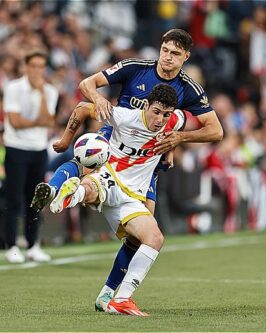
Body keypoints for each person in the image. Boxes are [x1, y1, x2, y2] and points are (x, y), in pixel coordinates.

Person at [31, 29, 223, 310]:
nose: (168, 58)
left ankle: (109, 294)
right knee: (90, 158)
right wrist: (96, 100)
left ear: (186, 57)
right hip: (117, 134)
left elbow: (214, 131)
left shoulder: (189, 90)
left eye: (175, 54)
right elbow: (88, 85)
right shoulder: (135, 68)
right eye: (165, 50)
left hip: (148, 162)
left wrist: (176, 142)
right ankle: (61, 190)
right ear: (160, 48)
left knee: (143, 235)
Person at [51, 84, 185, 316]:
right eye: (156, 112)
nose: (160, 119)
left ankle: (119, 299)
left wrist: (174, 143)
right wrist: (65, 140)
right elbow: (83, 108)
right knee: (94, 186)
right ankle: (71, 196)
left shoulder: (174, 120)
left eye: (166, 114)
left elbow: (200, 127)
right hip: (111, 175)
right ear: (145, 105)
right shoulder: (124, 116)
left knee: (153, 239)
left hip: (133, 197)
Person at [3, 50, 58, 263]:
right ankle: (12, 246)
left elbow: (50, 122)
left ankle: (33, 245)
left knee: (36, 198)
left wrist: (42, 94)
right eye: (33, 66)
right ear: (26, 67)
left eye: (41, 66)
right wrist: (39, 121)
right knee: (14, 198)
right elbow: (15, 121)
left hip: (38, 148)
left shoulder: (50, 91)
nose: (37, 70)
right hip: (16, 147)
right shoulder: (14, 88)